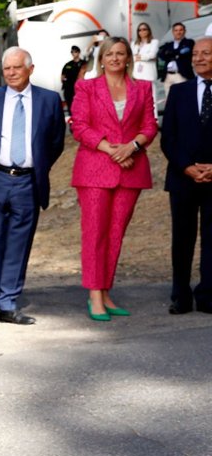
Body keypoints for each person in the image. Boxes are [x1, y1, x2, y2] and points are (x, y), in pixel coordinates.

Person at [0, 47, 65, 329]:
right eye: (6, 68)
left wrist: (39, 166)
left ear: (30, 69)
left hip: (28, 181)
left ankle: (8, 303)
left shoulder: (48, 100)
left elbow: (56, 141)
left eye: (16, 68)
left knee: (19, 244)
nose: (10, 73)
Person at [69, 37, 157, 320]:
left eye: (121, 53)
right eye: (110, 54)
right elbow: (79, 126)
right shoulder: (86, 87)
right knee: (95, 233)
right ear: (102, 58)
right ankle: (94, 295)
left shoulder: (143, 88)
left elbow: (149, 126)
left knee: (116, 233)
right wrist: (112, 149)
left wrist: (132, 146)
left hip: (131, 169)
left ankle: (106, 291)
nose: (115, 58)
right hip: (95, 168)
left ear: (129, 58)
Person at [160, 36, 212, 315]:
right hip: (183, 178)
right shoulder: (179, 92)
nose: (199, 58)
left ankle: (208, 295)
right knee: (182, 238)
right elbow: (168, 138)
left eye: (206, 54)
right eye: (196, 54)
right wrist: (187, 167)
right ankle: (180, 294)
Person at [158, 22, 195, 99]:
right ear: (173, 32)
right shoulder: (168, 44)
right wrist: (177, 54)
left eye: (181, 30)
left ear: (184, 31)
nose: (178, 32)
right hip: (168, 75)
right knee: (169, 100)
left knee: (183, 98)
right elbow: (161, 55)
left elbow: (185, 52)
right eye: (176, 30)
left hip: (181, 74)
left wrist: (170, 54)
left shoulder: (189, 42)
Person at [132, 22, 161, 113]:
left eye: (144, 29)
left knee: (152, 97)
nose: (142, 31)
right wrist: (145, 57)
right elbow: (130, 57)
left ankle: (154, 118)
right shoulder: (134, 44)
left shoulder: (154, 42)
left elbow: (152, 55)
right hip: (136, 74)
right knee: (138, 99)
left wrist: (139, 57)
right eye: (140, 30)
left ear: (148, 31)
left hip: (148, 74)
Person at [60, 45, 84, 115]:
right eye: (72, 52)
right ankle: (73, 125)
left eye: (75, 52)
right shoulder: (68, 64)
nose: (73, 53)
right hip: (69, 90)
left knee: (82, 109)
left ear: (79, 52)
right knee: (71, 109)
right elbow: (62, 77)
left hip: (80, 90)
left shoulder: (84, 63)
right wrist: (65, 80)